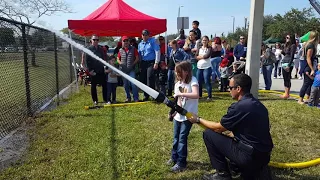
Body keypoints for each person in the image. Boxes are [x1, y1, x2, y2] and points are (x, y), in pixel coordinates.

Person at [187, 74, 273, 180]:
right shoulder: (259, 105)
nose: (229, 90)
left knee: (209, 134)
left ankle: (223, 174)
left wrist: (198, 119)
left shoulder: (240, 107)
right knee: (231, 137)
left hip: (249, 157)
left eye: (230, 87)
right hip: (264, 157)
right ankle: (243, 168)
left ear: (238, 89)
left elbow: (218, 128)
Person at [167, 61, 199, 172]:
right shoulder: (177, 84)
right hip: (179, 116)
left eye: (179, 71)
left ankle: (181, 162)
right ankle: (174, 157)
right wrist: (174, 112)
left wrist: (181, 94)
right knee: (176, 138)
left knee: (182, 138)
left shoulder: (193, 81)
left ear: (186, 71)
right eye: (176, 72)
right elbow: (179, 102)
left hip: (189, 116)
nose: (177, 74)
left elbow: (196, 94)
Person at [138, 29, 161, 101]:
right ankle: (146, 96)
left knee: (150, 78)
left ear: (149, 35)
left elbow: (157, 51)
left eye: (146, 35)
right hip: (143, 62)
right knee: (143, 79)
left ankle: (153, 95)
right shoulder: (140, 44)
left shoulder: (153, 42)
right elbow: (139, 55)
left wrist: (156, 62)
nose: (144, 36)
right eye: (143, 35)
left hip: (151, 62)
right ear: (141, 35)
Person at [85, 35, 108, 105]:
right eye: (94, 40)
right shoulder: (88, 49)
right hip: (93, 71)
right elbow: (87, 61)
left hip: (101, 69)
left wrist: (105, 67)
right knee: (93, 85)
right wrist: (90, 70)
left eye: (97, 40)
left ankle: (105, 99)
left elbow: (103, 59)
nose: (95, 41)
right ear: (91, 40)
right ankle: (95, 100)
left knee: (104, 85)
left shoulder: (100, 49)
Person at [298, 31, 319, 104]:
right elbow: (308, 58)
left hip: (307, 65)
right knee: (306, 83)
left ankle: (308, 97)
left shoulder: (307, 44)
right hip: (308, 67)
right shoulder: (310, 46)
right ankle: (300, 99)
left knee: (310, 83)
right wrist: (312, 69)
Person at [117, 36, 140, 103]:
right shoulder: (120, 50)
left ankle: (136, 98)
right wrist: (120, 63)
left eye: (126, 41)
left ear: (129, 42)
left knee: (133, 84)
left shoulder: (133, 49)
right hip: (123, 70)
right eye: (124, 41)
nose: (125, 42)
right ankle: (128, 97)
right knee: (125, 84)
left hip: (131, 69)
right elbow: (118, 58)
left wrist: (133, 64)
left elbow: (137, 58)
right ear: (122, 42)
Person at [280, 34, 297, 99]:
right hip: (284, 62)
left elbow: (292, 56)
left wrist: (289, 65)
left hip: (288, 63)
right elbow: (285, 53)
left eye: (288, 38)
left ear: (291, 38)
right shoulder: (286, 45)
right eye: (286, 37)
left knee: (287, 78)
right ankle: (286, 92)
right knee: (285, 78)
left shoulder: (293, 46)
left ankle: (287, 93)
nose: (286, 39)